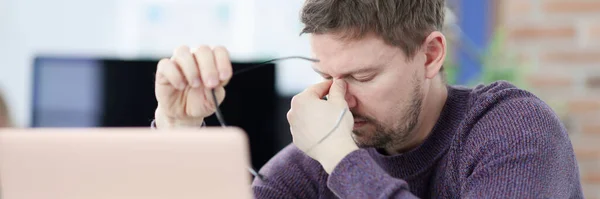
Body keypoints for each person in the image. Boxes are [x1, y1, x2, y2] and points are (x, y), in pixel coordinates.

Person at [152, 0, 583, 198]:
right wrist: (179, 133)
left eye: (361, 76)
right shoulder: (323, 157)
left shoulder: (513, 130)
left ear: (430, 54)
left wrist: (341, 161)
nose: (339, 100)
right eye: (325, 75)